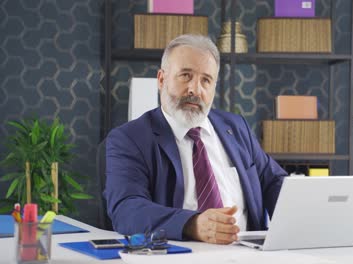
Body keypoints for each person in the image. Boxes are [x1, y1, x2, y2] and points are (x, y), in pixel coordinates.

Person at [104, 34, 287, 245]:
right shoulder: (129, 139)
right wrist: (192, 224)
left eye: (206, 80)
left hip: (247, 253)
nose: (195, 90)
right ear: (161, 79)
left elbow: (274, 181)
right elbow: (126, 209)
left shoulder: (236, 128)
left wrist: (304, 213)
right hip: (181, 255)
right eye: (185, 75)